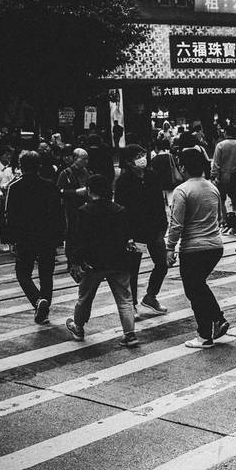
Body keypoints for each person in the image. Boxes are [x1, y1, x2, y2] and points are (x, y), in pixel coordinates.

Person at [165, 148, 229, 349]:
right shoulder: (212, 188)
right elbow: (220, 216)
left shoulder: (182, 190)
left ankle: (205, 334)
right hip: (215, 246)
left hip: (193, 249)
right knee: (198, 286)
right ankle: (217, 321)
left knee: (194, 290)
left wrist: (169, 248)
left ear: (182, 167)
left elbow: (176, 224)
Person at [65, 174, 138, 347]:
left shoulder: (83, 211)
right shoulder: (119, 210)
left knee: (84, 298)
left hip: (92, 263)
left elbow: (77, 240)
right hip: (118, 261)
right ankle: (130, 334)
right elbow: (127, 236)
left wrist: (75, 261)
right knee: (125, 298)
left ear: (89, 191)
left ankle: (79, 327)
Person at [0, 151, 63, 325]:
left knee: (23, 272)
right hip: (47, 236)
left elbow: (9, 215)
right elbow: (58, 213)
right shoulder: (49, 186)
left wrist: (11, 238)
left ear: (20, 166)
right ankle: (44, 307)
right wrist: (59, 237)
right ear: (39, 166)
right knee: (46, 274)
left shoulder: (15, 187)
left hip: (25, 237)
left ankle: (37, 300)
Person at [114, 144, 170, 316]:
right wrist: (127, 235)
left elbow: (160, 202)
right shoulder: (124, 181)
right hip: (135, 233)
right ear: (130, 161)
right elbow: (121, 209)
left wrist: (163, 225)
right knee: (133, 269)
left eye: (142, 154)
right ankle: (132, 304)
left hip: (154, 230)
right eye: (138, 156)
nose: (142, 158)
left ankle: (151, 296)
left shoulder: (152, 176)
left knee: (162, 263)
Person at [56, 148, 91, 240]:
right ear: (75, 159)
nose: (86, 161)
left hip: (85, 206)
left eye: (87, 159)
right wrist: (75, 192)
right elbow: (58, 191)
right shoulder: (65, 173)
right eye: (83, 159)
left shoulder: (86, 172)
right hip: (71, 207)